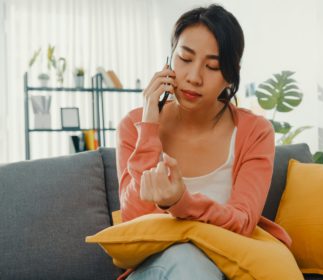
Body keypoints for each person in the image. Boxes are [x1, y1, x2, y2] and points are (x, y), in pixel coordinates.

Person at [116, 4, 291, 280]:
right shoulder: (134, 125)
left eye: (212, 66)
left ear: (230, 75)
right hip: (156, 270)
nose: (194, 77)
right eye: (184, 59)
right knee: (186, 260)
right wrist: (150, 122)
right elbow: (133, 219)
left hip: (225, 265)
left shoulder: (255, 132)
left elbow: (243, 221)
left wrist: (180, 202)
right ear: (169, 59)